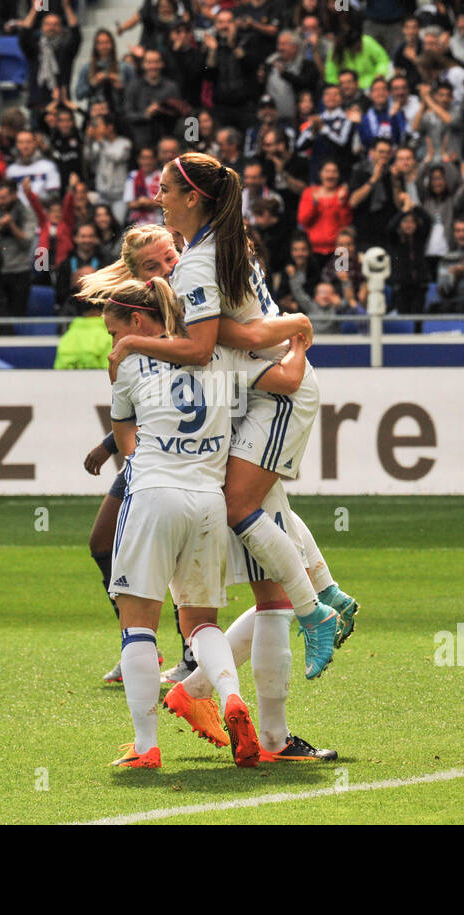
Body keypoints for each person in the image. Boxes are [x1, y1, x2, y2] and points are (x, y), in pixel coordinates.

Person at [105, 152, 352, 680]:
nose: (158, 197)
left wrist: (130, 344)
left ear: (193, 198)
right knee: (264, 502)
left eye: (167, 189)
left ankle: (315, 615)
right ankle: (325, 596)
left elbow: (205, 347)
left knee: (241, 505)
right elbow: (232, 334)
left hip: (274, 389)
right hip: (263, 381)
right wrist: (288, 327)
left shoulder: (198, 262)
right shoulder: (215, 247)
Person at [97, 273, 311, 769]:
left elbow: (124, 432)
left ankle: (146, 747)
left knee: (138, 624)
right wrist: (297, 344)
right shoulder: (218, 354)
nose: (113, 343)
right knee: (200, 623)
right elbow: (290, 381)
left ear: (136, 321)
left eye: (114, 332)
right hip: (208, 503)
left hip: (153, 495)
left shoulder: (128, 364)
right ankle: (231, 696)